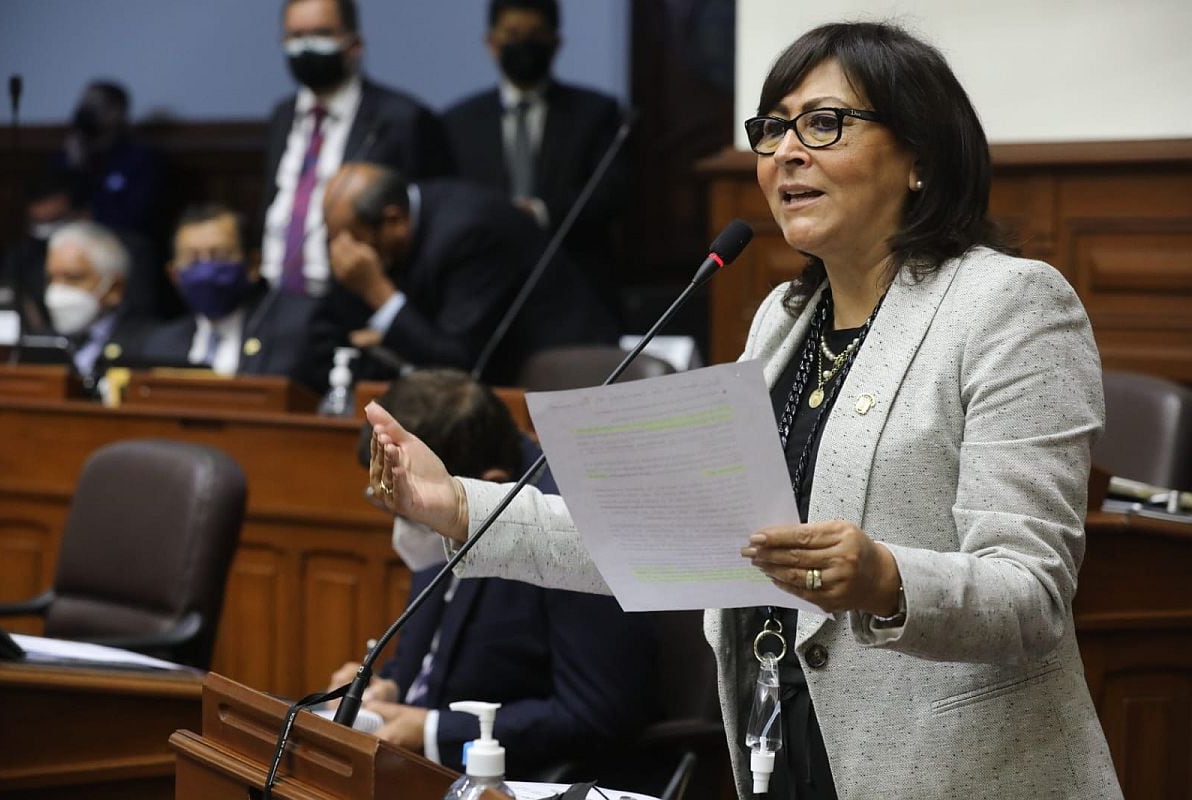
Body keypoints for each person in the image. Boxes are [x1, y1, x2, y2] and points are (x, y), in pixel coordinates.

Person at [362, 21, 1123, 800]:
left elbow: (1031, 593)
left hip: (949, 771)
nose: (786, 152)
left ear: (920, 157)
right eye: (773, 129)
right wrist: (457, 506)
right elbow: (668, 536)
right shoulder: (781, 323)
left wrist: (887, 579)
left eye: (823, 123)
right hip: (782, 749)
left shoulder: (1008, 307)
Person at [330, 369, 655, 778]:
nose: (402, 522)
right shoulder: (442, 482)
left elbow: (595, 713)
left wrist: (432, 730)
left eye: (408, 508)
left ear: (488, 485)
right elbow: (435, 650)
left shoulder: (573, 527)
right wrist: (389, 687)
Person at [296, 162, 617, 393]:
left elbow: (457, 363)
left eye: (352, 239)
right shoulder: (391, 232)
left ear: (394, 220)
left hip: (569, 375)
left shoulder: (468, 233)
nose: (342, 253)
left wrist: (377, 291)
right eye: (333, 239)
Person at [443, 0, 629, 318]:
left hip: (576, 283)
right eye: (513, 34)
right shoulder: (458, 122)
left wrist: (539, 212)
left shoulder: (596, 113)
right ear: (491, 42)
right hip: (486, 288)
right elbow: (452, 202)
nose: (524, 45)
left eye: (536, 35)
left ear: (555, 42)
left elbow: (613, 193)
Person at [260, 0, 454, 298]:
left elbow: (429, 224)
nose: (307, 46)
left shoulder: (402, 119)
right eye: (296, 36)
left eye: (321, 34)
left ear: (355, 44)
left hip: (358, 299)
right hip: (276, 299)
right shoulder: (282, 116)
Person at [140, 204, 317, 378]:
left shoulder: (297, 332)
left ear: (253, 264)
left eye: (220, 255)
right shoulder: (159, 346)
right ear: (174, 274)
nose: (206, 271)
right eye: (193, 259)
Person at [43, 221, 151, 384]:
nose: (57, 290)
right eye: (51, 278)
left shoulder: (149, 345)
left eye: (73, 278)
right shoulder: (41, 345)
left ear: (114, 288)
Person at [55, 81, 163, 239]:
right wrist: (74, 166)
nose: (84, 111)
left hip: (120, 238)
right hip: (69, 237)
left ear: (117, 111)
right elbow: (50, 204)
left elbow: (136, 215)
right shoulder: (68, 155)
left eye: (93, 105)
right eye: (83, 104)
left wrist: (89, 217)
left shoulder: (140, 159)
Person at [0, 169, 92, 335]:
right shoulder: (21, 255)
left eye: (54, 220)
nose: (44, 229)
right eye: (38, 222)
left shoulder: (110, 254)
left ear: (82, 216)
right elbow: (6, 295)